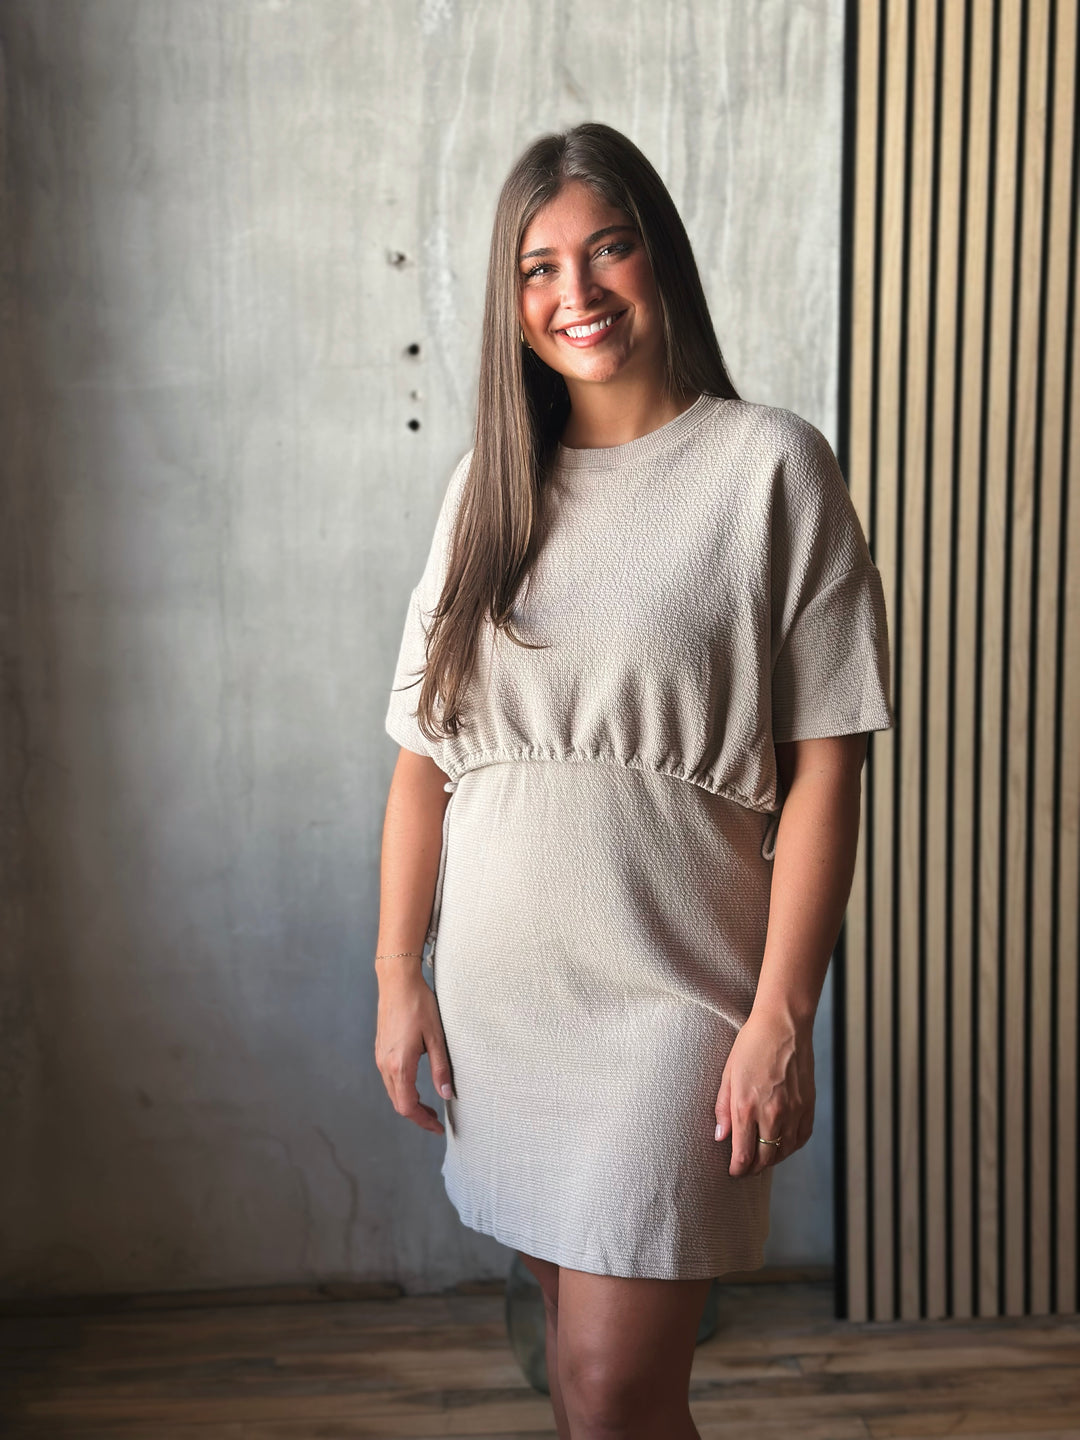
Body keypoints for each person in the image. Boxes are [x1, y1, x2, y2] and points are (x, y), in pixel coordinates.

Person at [375, 121, 893, 1440]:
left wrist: (783, 1015)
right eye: (539, 268)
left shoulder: (769, 466)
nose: (576, 293)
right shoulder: (489, 491)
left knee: (613, 1392)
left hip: (674, 1005)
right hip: (504, 1008)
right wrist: (397, 975)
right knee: (585, 1383)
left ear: (659, 257)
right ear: (513, 303)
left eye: (608, 249)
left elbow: (829, 766)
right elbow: (425, 762)